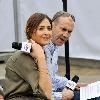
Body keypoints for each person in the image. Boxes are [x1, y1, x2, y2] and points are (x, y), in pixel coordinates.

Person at [3, 12, 53, 100]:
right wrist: (41, 58)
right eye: (41, 29)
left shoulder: (40, 51)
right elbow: (46, 94)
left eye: (49, 28)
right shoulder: (23, 56)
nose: (46, 32)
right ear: (29, 31)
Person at [43, 11, 81, 100]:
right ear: (52, 26)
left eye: (69, 31)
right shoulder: (39, 49)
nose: (65, 35)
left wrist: (69, 83)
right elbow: (36, 92)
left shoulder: (54, 47)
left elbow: (51, 78)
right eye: (63, 29)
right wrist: (62, 96)